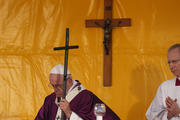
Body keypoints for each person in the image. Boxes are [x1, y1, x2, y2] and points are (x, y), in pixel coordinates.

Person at [35, 64, 120, 120]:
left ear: (69, 81)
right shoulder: (50, 100)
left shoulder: (87, 98)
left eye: (58, 85)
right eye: (52, 85)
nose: (55, 89)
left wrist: (70, 114)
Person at [146, 44, 180, 120]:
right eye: (169, 62)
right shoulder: (165, 86)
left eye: (174, 61)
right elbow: (151, 115)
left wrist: (178, 112)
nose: (171, 66)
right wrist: (168, 115)